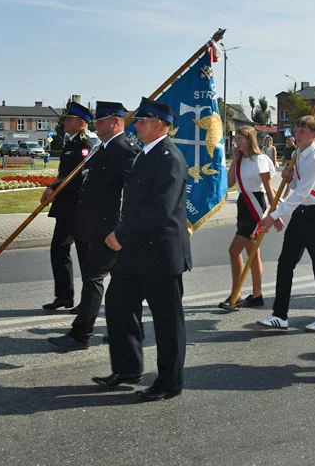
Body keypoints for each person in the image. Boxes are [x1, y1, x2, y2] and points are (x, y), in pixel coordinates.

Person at [93, 97, 191, 402]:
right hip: (136, 251)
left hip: (161, 254)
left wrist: (121, 234)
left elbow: (159, 211)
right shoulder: (147, 155)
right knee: (119, 305)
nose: (137, 125)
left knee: (167, 322)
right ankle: (128, 368)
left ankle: (169, 381)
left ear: (160, 125)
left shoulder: (169, 158)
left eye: (143, 121)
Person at [48, 102, 140, 351]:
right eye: (96, 121)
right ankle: (122, 328)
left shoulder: (124, 151)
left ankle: (82, 333)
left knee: (94, 277)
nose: (96, 125)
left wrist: (120, 231)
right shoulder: (103, 149)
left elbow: (131, 195)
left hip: (110, 229)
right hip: (94, 227)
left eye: (101, 121)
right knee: (117, 280)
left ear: (116, 122)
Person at [256, 115, 315, 332]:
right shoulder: (297, 154)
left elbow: (302, 193)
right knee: (285, 263)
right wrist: (289, 176)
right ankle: (280, 314)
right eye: (297, 129)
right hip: (302, 214)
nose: (298, 134)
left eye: (303, 131)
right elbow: (297, 186)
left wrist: (273, 215)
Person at [40, 101, 95, 311]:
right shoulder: (71, 142)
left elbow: (78, 177)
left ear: (81, 123)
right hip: (67, 208)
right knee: (59, 249)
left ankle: (88, 301)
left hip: (77, 208)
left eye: (69, 119)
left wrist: (52, 187)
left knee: (84, 254)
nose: (65, 122)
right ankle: (64, 296)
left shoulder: (84, 145)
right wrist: (54, 187)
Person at [219, 125, 276, 311]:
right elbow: (229, 183)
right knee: (253, 251)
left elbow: (268, 188)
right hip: (243, 203)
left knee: (234, 250)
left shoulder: (260, 159)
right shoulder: (241, 160)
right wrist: (234, 161)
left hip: (255, 205)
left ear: (250, 139)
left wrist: (276, 214)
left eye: (240, 138)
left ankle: (235, 294)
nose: (237, 141)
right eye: (236, 138)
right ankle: (257, 295)